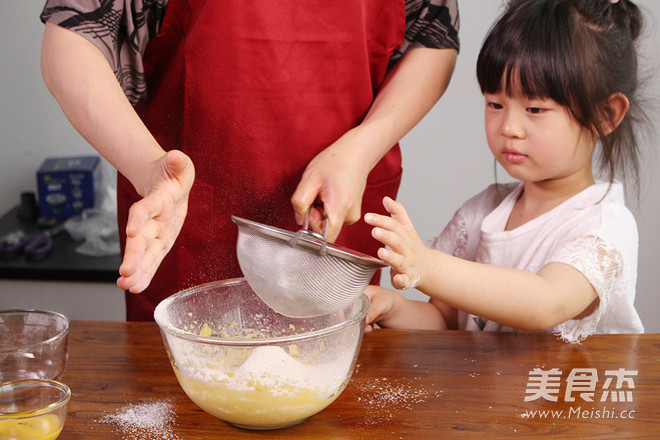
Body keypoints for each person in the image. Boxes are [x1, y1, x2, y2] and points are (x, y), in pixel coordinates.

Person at [39, 1, 460, 320]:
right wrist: (151, 168)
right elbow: (72, 37)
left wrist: (362, 147)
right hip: (192, 209)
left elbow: (433, 37)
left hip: (336, 207)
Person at [363, 0, 647, 343]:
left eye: (535, 108)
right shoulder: (481, 213)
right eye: (495, 104)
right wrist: (393, 308)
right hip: (493, 395)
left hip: (570, 395)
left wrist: (426, 265)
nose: (509, 127)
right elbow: (446, 321)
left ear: (606, 115)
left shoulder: (603, 224)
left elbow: (546, 302)